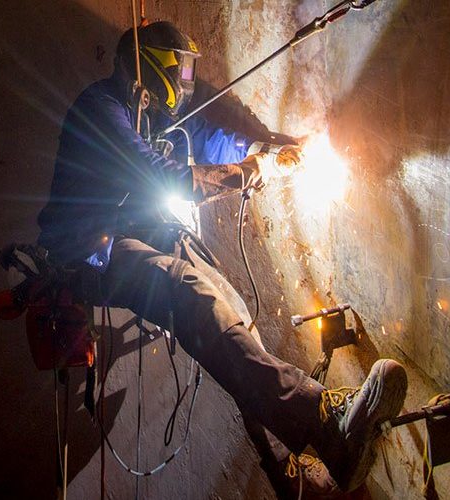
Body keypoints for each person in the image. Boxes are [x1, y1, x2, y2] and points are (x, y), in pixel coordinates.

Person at [37, 21, 407, 496]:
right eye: (181, 67)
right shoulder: (102, 109)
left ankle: (295, 476)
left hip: (141, 232)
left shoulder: (148, 112)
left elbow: (205, 135)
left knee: (231, 324)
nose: (187, 80)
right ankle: (323, 421)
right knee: (187, 292)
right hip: (89, 248)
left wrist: (258, 149)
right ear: (152, 63)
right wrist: (247, 174)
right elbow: (158, 176)